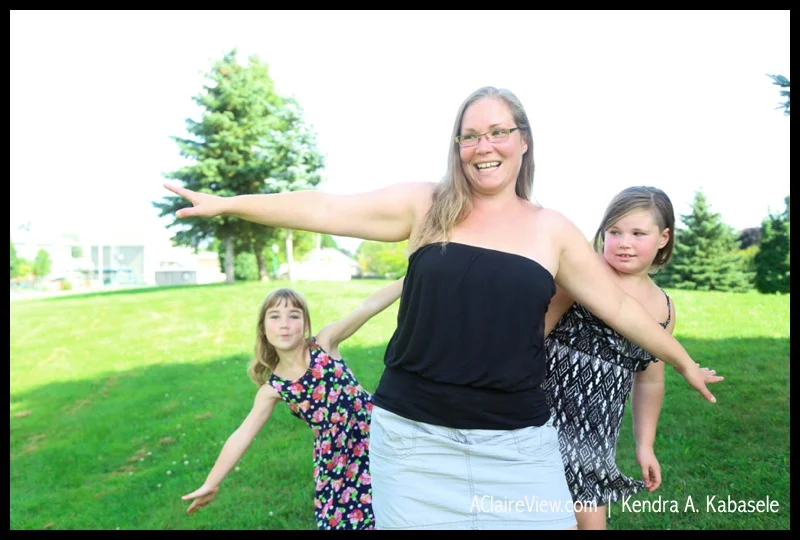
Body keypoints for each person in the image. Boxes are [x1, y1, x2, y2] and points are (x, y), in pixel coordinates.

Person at [164, 86, 719, 530]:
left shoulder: (551, 230)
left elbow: (620, 306)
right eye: (469, 136)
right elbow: (326, 207)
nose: (484, 146)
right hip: (413, 442)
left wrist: (682, 361)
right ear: (458, 147)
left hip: (517, 446)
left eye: (498, 132)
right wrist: (229, 203)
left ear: (523, 141)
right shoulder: (426, 205)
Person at [541, 186, 724, 530]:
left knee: (590, 522)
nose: (624, 243)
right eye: (615, 232)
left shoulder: (663, 308)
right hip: (543, 421)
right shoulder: (583, 276)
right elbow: (535, 334)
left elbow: (650, 380)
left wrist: (645, 445)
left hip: (595, 438)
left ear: (663, 238)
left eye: (638, 234)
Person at [180, 278, 404, 530]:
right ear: (263, 329)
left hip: (380, 436)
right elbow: (242, 434)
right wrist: (211, 483)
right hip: (339, 463)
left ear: (305, 325)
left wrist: (413, 275)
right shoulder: (274, 388)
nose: (284, 324)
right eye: (275, 317)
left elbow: (368, 306)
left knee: (406, 508)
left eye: (294, 316)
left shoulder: (324, 344)